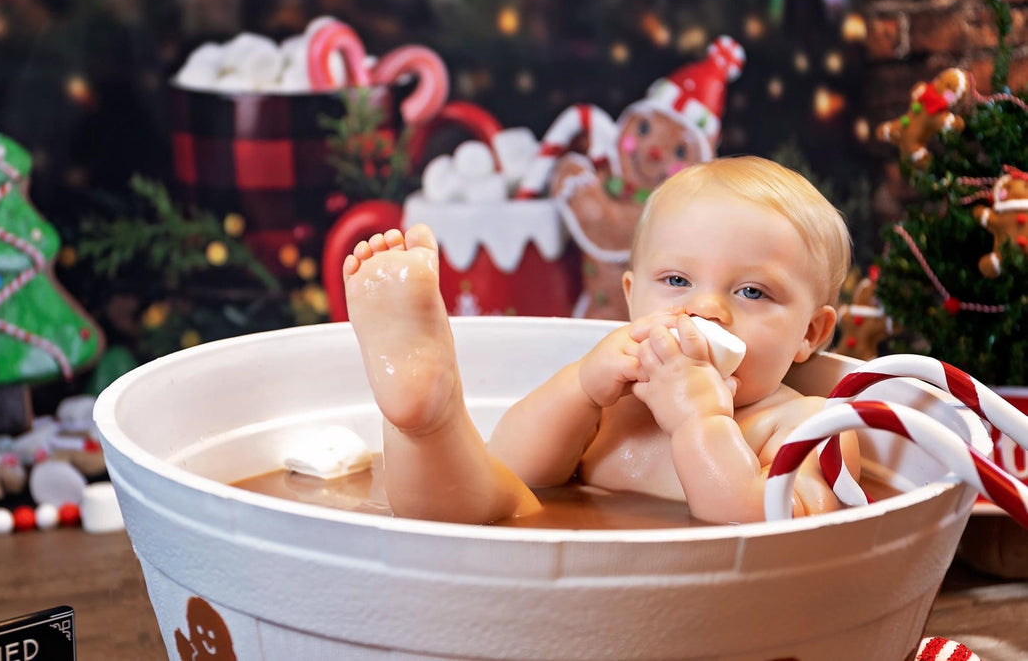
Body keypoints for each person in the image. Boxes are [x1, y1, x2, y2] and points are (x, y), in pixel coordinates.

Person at [341, 155, 860, 525]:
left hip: (678, 613)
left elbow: (778, 531)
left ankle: (428, 420)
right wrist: (581, 389)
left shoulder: (810, 427)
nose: (704, 308)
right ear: (632, 299)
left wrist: (700, 420)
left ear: (810, 333)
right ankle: (424, 418)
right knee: (501, 498)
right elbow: (518, 466)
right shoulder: (616, 397)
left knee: (501, 508)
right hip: (540, 571)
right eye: (677, 281)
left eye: (752, 291)